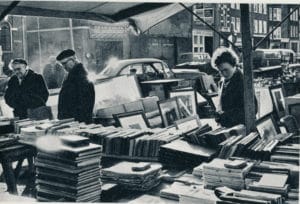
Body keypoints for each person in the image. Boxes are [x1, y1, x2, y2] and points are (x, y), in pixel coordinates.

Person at [211, 47, 257, 128]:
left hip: (242, 128)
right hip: (230, 126)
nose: (223, 74)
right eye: (220, 71)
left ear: (233, 65)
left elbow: (252, 109)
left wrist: (225, 115)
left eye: (226, 70)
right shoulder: (224, 80)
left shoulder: (243, 81)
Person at [56, 49, 95, 124]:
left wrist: (74, 121)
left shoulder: (80, 76)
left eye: (64, 63)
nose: (63, 67)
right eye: (62, 65)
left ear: (72, 60)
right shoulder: (73, 74)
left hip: (77, 122)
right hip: (72, 121)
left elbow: (84, 104)